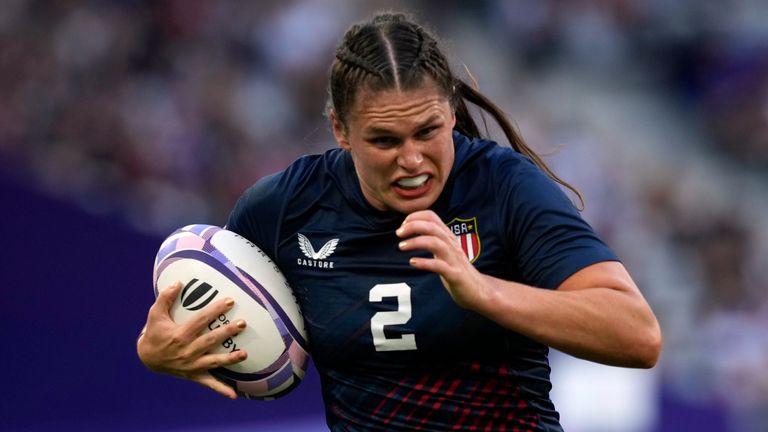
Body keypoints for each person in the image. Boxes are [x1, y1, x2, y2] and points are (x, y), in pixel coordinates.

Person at [137, 11, 662, 431]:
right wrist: (159, 351)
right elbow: (229, 317)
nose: (412, 159)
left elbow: (637, 335)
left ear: (453, 111)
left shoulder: (504, 188)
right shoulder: (286, 208)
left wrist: (482, 291)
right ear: (340, 130)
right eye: (385, 140)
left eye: (428, 131)